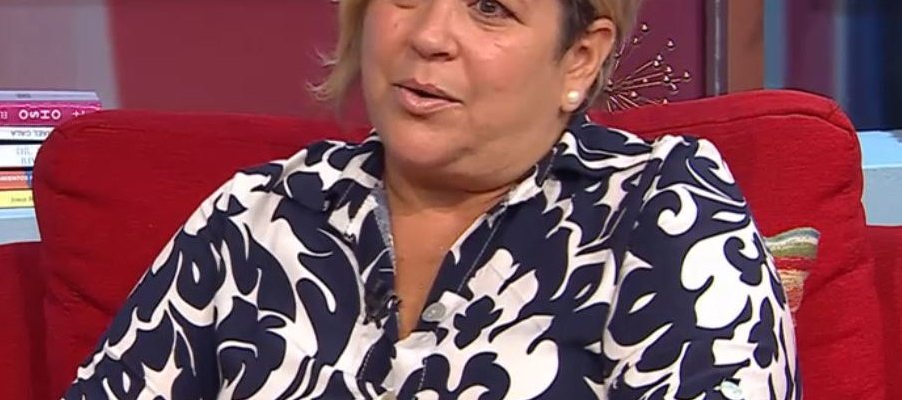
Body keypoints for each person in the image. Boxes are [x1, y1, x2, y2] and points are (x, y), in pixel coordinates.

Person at [62, 0, 797, 398]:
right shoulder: (256, 215)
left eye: (489, 8)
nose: (429, 35)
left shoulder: (660, 208)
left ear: (580, 57)